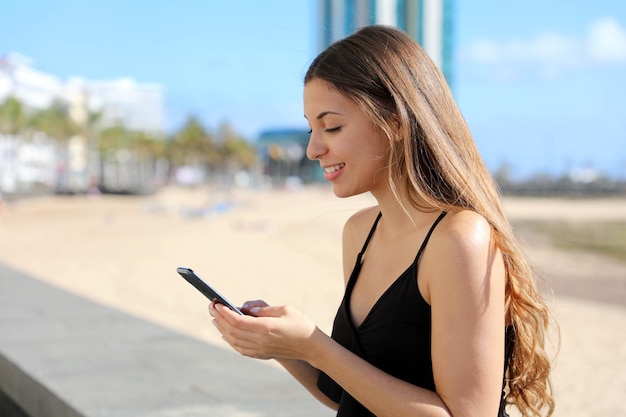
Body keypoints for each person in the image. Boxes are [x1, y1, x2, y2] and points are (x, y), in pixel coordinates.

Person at [210, 25, 556, 417]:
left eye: (332, 127)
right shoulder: (359, 232)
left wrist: (312, 344)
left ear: (395, 121)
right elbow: (348, 395)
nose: (313, 149)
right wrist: (283, 347)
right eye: (311, 128)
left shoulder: (459, 238)